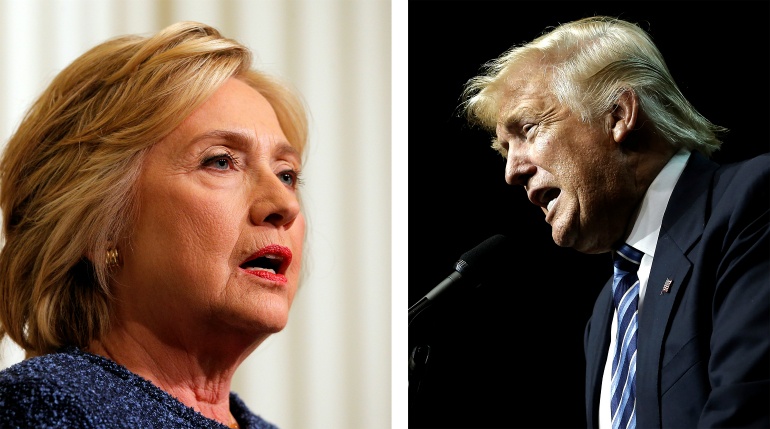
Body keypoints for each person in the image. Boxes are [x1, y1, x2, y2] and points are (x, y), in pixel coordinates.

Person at [462, 16, 768, 428]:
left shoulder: (752, 203)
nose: (511, 172)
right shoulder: (608, 309)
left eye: (529, 129)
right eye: (505, 149)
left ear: (618, 114)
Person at [0, 21, 307, 428]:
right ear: (101, 222)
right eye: (220, 161)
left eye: (286, 174)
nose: (284, 204)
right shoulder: (42, 407)